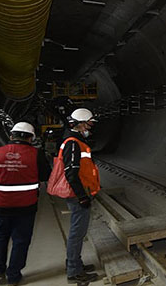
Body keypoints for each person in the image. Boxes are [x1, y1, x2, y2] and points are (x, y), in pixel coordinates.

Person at [0, 122, 51, 286]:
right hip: (26, 205)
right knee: (21, 239)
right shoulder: (36, 154)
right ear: (31, 138)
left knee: (1, 235)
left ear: (11, 136)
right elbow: (46, 175)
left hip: (1, 204)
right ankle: (14, 275)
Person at [61, 108, 100, 284]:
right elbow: (71, 173)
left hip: (80, 193)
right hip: (78, 195)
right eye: (89, 124)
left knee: (79, 231)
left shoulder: (74, 140)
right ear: (81, 123)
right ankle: (74, 272)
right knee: (77, 233)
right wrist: (82, 196)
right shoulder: (73, 143)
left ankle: (75, 264)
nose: (90, 127)